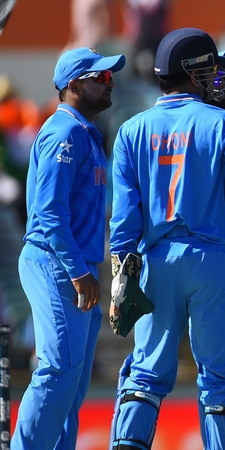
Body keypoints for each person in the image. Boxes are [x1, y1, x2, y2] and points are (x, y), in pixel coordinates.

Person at [108, 28, 225, 449]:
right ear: (193, 72)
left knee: (145, 374)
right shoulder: (222, 122)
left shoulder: (131, 130)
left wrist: (121, 276)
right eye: (213, 68)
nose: (219, 76)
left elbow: (124, 219)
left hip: (156, 261)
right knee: (222, 381)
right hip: (216, 262)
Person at [12, 47, 125, 449]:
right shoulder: (66, 132)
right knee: (59, 370)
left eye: (109, 77)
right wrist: (79, 272)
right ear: (74, 86)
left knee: (73, 382)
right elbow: (49, 213)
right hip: (56, 262)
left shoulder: (85, 134)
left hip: (75, 265)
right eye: (101, 78)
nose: (109, 83)